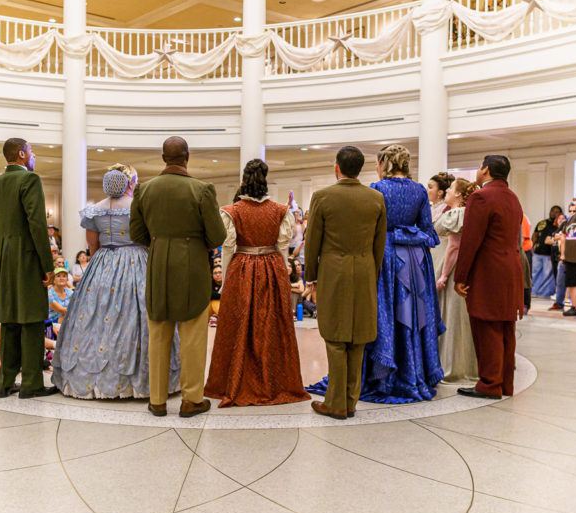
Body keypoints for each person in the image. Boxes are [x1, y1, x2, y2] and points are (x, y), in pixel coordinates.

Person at [53, 165, 181, 399]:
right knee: (138, 314)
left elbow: (92, 246)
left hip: (102, 262)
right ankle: (141, 380)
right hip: (136, 260)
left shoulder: (95, 210)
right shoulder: (138, 207)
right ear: (126, 183)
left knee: (95, 316)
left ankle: (93, 377)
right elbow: (149, 238)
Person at [130, 137, 226, 418]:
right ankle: (192, 399)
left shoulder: (144, 190)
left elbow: (136, 233)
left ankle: (158, 400)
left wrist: (160, 242)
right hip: (193, 267)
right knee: (193, 335)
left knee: (158, 333)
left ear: (163, 157)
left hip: (158, 263)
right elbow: (217, 235)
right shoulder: (202, 190)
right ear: (187, 157)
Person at [204, 160, 309, 407]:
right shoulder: (279, 211)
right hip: (271, 267)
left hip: (242, 267)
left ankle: (235, 380)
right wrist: (282, 272)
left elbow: (228, 248)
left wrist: (227, 277)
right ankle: (273, 381)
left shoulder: (232, 211)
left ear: (243, 181)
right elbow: (283, 248)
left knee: (239, 323)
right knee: (272, 324)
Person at [305, 146, 387, 419]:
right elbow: (380, 244)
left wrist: (310, 277)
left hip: (334, 271)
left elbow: (312, 242)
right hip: (364, 270)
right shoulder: (376, 198)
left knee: (335, 336)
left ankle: (335, 402)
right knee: (359, 337)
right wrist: (372, 274)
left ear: (337, 167)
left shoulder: (323, 197)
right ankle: (351, 401)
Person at [0, 137, 58, 399]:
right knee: (32, 321)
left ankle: (5, 383)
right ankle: (31, 383)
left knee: (10, 321)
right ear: (21, 155)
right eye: (32, 151)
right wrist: (47, 267)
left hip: (4, 259)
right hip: (27, 259)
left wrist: (3, 250)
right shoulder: (30, 180)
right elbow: (37, 225)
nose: (34, 155)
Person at [454, 155, 524, 400]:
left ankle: (489, 384)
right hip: (511, 268)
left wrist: (460, 276)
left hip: (488, 270)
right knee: (506, 327)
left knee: (487, 326)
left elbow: (471, 240)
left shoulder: (481, 196)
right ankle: (505, 383)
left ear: (485, 170)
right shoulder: (512, 197)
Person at [436, 178, 480, 384]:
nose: (446, 191)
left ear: (460, 195)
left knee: (453, 317)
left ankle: (453, 367)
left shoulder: (457, 214)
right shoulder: (464, 213)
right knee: (460, 317)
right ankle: (466, 365)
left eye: (450, 189)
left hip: (453, 270)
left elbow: (454, 247)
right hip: (460, 268)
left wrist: (443, 276)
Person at [429, 171, 455, 284]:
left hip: (442, 251)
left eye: (430, 187)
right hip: (430, 251)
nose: (426, 189)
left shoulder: (447, 210)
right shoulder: (428, 208)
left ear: (439, 192)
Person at [531, 206, 562, 298]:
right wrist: (532, 246)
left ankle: (543, 293)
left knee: (547, 275)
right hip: (537, 252)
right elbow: (535, 235)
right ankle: (533, 291)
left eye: (556, 212)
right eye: (552, 211)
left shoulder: (558, 225)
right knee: (534, 273)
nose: (553, 213)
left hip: (549, 254)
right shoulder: (542, 223)